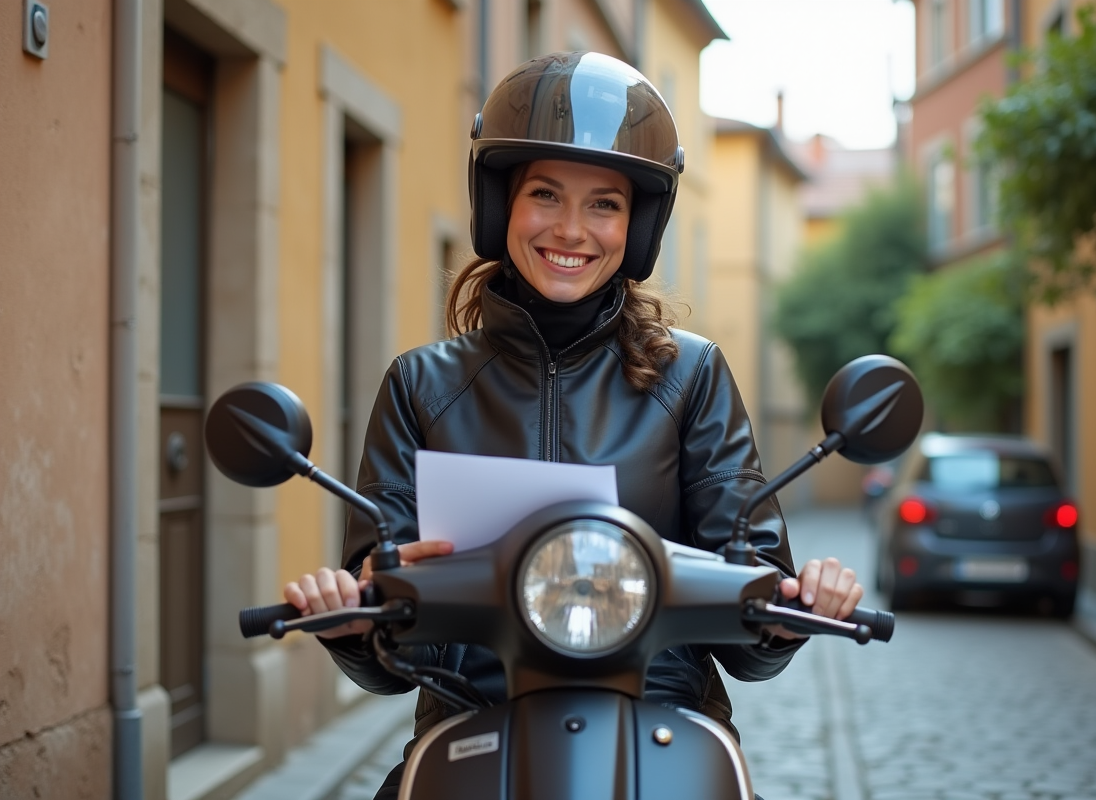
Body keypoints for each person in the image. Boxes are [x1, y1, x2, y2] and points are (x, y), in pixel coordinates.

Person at [283, 51, 863, 799]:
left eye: (605, 204)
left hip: (664, 728)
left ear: (639, 223)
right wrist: (352, 618)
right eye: (545, 194)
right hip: (472, 725)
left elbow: (749, 617)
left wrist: (790, 607)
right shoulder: (421, 385)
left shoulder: (692, 376)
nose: (571, 228)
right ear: (501, 205)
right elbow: (386, 647)